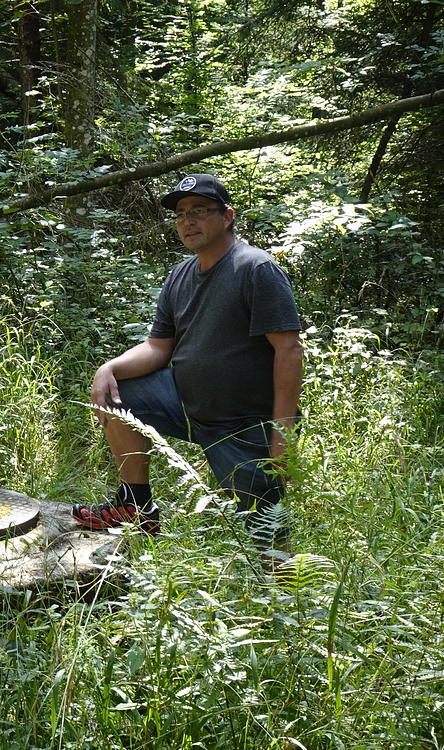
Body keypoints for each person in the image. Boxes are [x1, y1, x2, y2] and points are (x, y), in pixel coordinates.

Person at [72, 173, 303, 569]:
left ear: (227, 216)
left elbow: (289, 350)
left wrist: (282, 434)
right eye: (180, 214)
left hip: (245, 424)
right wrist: (108, 368)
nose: (188, 221)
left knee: (269, 542)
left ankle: (286, 600)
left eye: (199, 211)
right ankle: (135, 506)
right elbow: (158, 348)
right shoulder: (180, 275)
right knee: (117, 395)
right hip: (186, 402)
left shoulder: (255, 268)